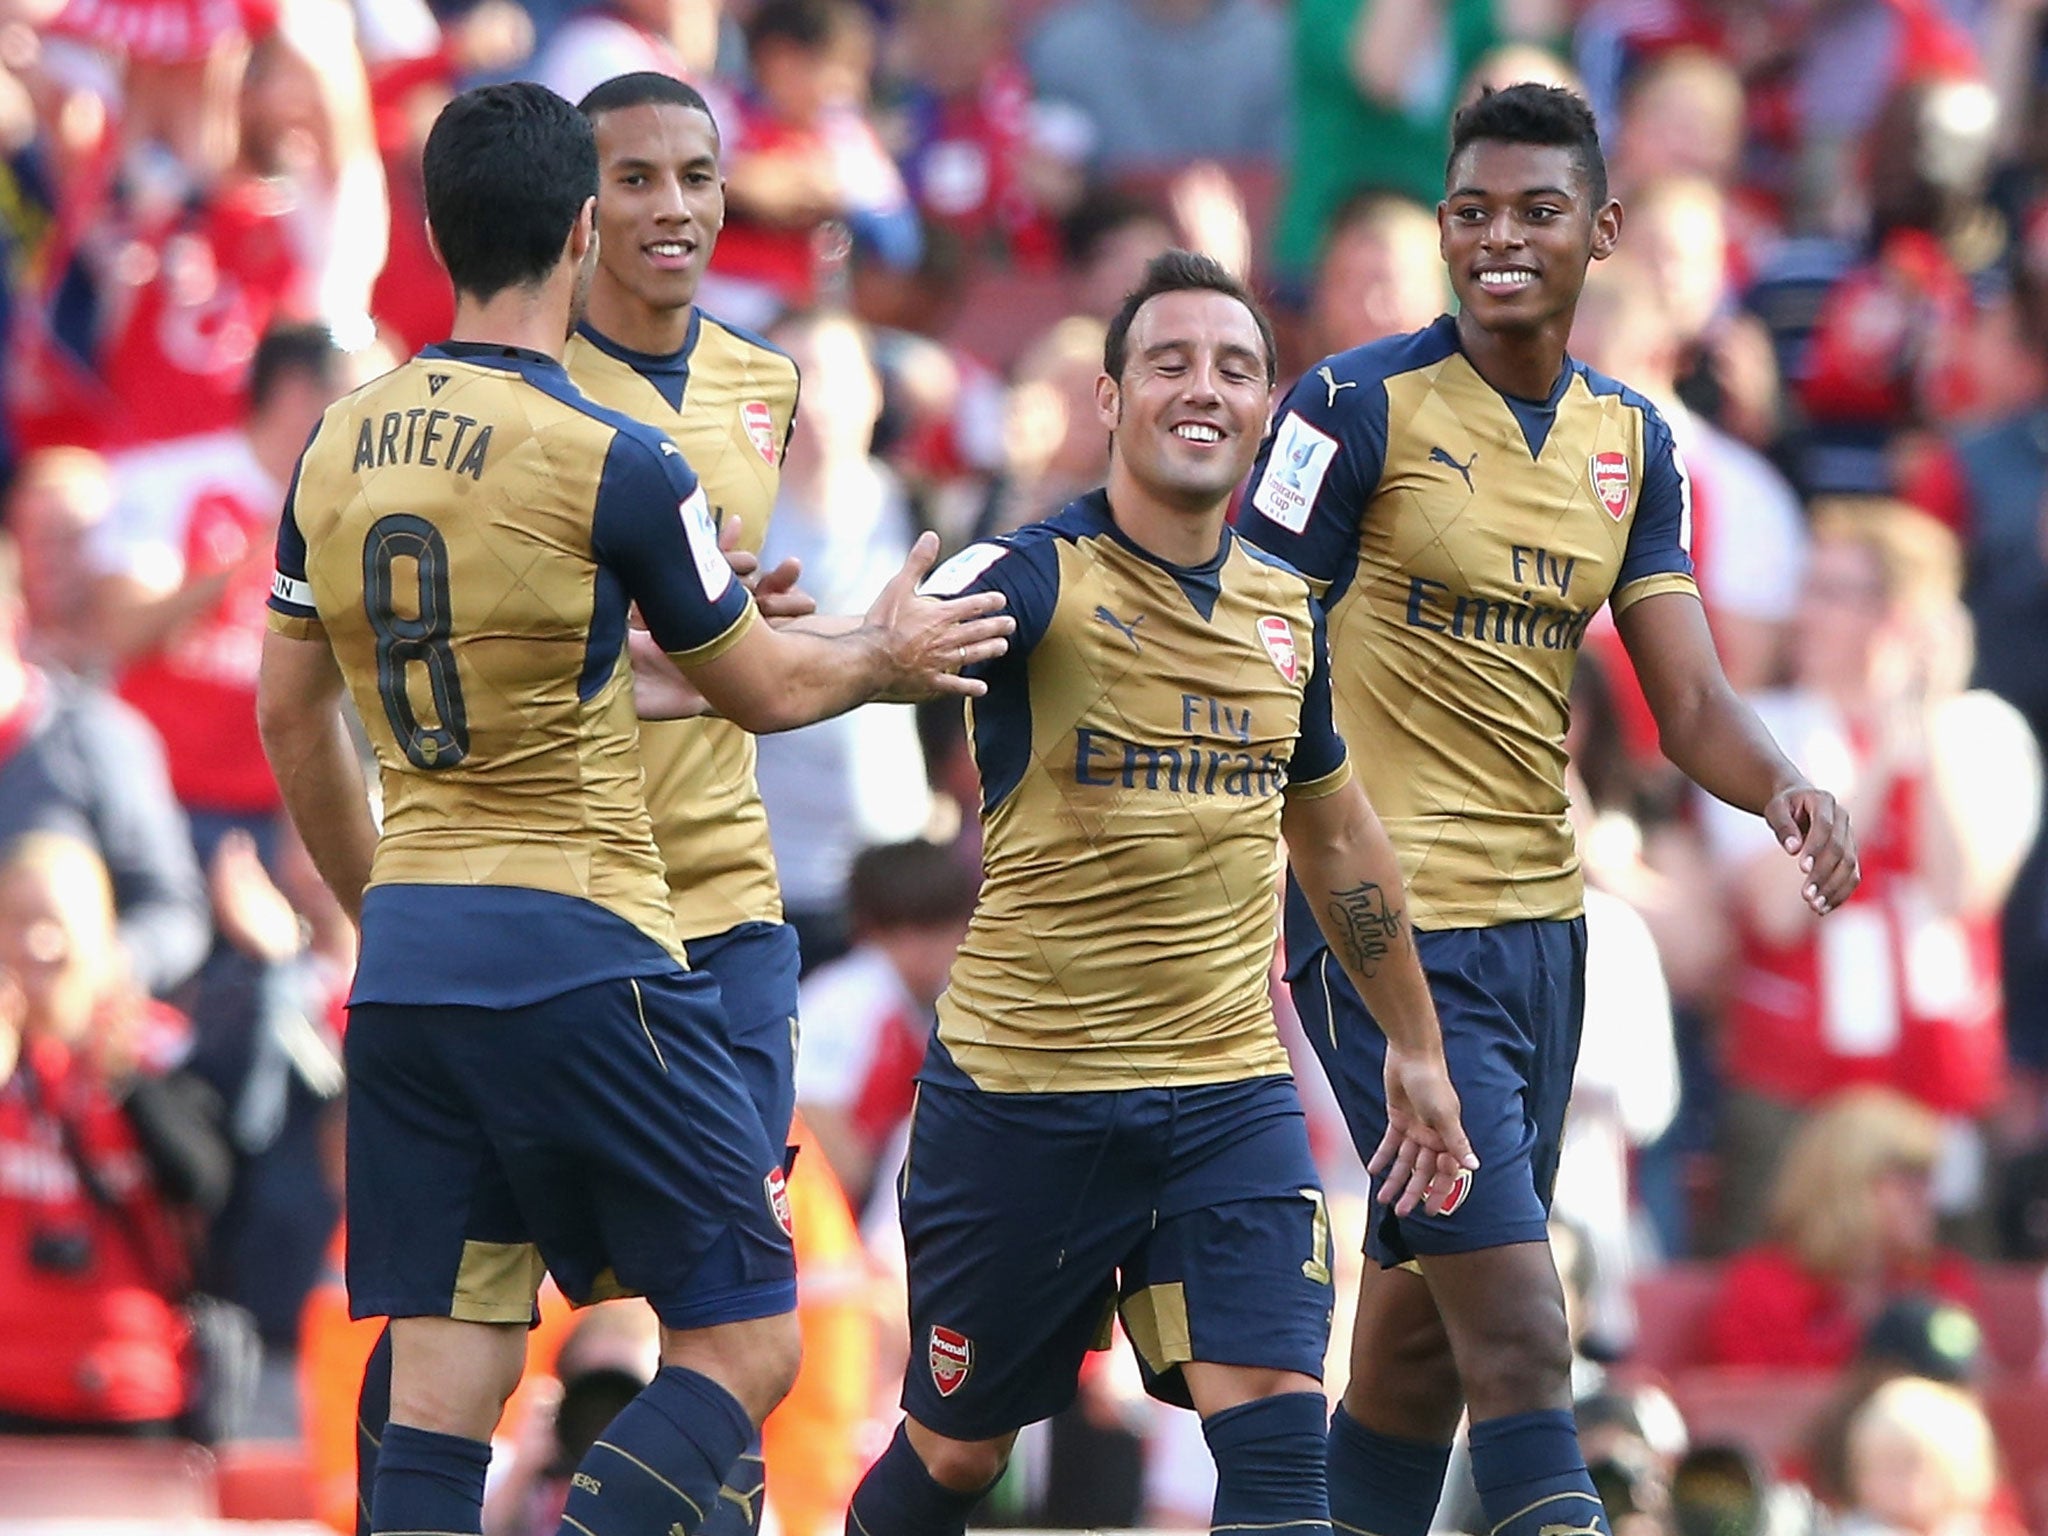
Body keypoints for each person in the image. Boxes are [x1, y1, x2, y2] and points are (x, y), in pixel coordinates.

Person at [253, 81, 1011, 1536]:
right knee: (748, 1335)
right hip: (593, 947)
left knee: (442, 1387)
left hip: (416, 966)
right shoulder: (617, 456)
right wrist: (891, 650)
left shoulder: (340, 442)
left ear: (433, 228)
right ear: (585, 223)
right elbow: (769, 690)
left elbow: (292, 713)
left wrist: (380, 911)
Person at [1240, 83, 1860, 1536]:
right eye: (1471, 212)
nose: (1497, 239)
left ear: (1603, 231)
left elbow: (1692, 701)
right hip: (1390, 925)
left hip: (1546, 936)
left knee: (1414, 1361)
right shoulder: (1349, 407)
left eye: (1533, 211)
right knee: (1525, 1336)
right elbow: (1247, 637)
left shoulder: (1631, 445)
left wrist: (1786, 786)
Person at [842, 249, 1475, 1536]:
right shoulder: (1030, 575)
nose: (1204, 388)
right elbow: (877, 651)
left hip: (1221, 1102)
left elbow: (1340, 839)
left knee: (1285, 1458)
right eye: (1169, 363)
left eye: (1235, 367)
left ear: (1263, 408)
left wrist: (1413, 1043)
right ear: (1109, 400)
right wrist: (779, 658)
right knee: (956, 1459)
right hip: (1023, 1102)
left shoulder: (1284, 615)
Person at [0, 832, 233, 1435]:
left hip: (127, 1391)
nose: (36, 943)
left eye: (56, 923)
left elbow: (205, 1183)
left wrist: (125, 1082)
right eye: (17, 921)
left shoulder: (154, 1047)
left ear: (103, 936)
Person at [1701, 1085, 1978, 1372]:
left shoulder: (1942, 1285)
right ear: (1844, 1185)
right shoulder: (1763, 1292)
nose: (1925, 1198)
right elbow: (1754, 1406)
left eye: (1928, 1181)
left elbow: (1977, 1392)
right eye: (1907, 1181)